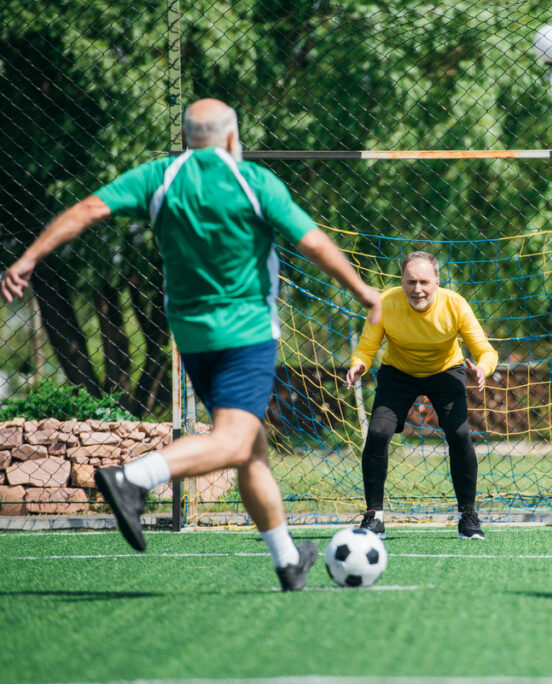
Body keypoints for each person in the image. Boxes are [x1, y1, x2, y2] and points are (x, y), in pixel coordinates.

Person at [1, 98, 381, 591]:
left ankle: (289, 562)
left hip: (191, 336)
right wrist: (365, 291)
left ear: (186, 138)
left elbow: (88, 209)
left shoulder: (159, 176)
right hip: (246, 333)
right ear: (229, 138)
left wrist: (29, 257)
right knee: (235, 440)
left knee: (253, 449)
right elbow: (311, 242)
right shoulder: (254, 180)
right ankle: (133, 478)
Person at [346, 251, 498, 540]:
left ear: (437, 282)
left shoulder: (456, 305)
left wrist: (483, 368)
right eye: (411, 281)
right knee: (377, 432)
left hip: (445, 371)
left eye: (424, 282)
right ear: (401, 281)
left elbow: (486, 351)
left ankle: (468, 516)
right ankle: (374, 516)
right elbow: (366, 346)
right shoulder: (385, 303)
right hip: (398, 372)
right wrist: (359, 363)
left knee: (460, 434)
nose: (418, 289)